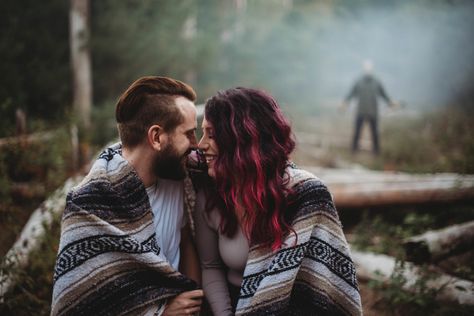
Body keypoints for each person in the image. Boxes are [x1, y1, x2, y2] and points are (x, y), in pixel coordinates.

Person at [192, 87, 362, 315]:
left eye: (211, 135)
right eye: (202, 133)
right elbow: (210, 265)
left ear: (239, 139)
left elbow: (327, 281)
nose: (201, 144)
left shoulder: (306, 195)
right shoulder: (210, 193)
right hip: (230, 306)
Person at [51, 76, 204, 316]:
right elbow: (82, 306)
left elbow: (184, 240)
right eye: (189, 134)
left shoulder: (177, 176)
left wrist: (192, 298)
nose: (197, 145)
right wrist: (160, 313)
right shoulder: (88, 204)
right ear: (156, 138)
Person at [342, 60, 397, 155]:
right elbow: (351, 94)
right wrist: (345, 102)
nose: (368, 70)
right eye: (366, 68)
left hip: (373, 111)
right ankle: (353, 151)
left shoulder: (376, 82)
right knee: (357, 132)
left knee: (375, 133)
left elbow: (383, 94)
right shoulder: (358, 82)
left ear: (372, 69)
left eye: (369, 68)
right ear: (364, 69)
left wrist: (390, 102)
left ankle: (376, 152)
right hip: (361, 111)